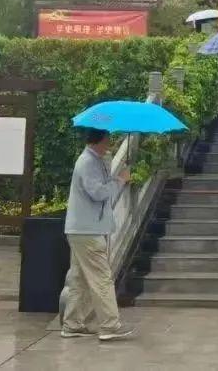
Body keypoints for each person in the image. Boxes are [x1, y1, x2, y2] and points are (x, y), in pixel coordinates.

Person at [62, 128, 136, 341]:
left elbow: (102, 185)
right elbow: (98, 192)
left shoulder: (95, 160)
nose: (109, 145)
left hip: (83, 229)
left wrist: (110, 165)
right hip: (88, 231)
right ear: (98, 141)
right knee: (102, 277)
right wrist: (120, 180)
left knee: (79, 279)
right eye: (107, 141)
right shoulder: (87, 162)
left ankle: (72, 324)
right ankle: (109, 325)